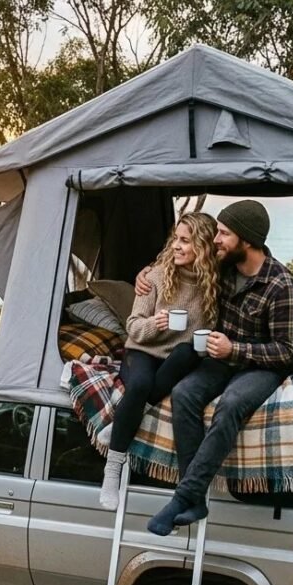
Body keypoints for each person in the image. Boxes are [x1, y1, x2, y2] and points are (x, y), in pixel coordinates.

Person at [136, 200, 293, 535]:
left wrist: (235, 349)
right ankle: (194, 502)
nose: (216, 239)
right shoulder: (223, 265)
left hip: (260, 367)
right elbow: (177, 257)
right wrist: (144, 274)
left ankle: (184, 496)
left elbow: (288, 352)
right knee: (184, 393)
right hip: (221, 360)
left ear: (247, 240)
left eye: (224, 233)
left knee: (229, 405)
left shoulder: (282, 286)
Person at [95, 212, 218, 509]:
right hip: (142, 350)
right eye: (175, 239)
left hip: (177, 359)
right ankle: (112, 469)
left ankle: (127, 419)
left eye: (185, 241)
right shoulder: (155, 277)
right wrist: (155, 324)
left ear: (202, 247)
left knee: (186, 351)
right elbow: (133, 326)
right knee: (139, 385)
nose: (176, 246)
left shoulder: (213, 285)